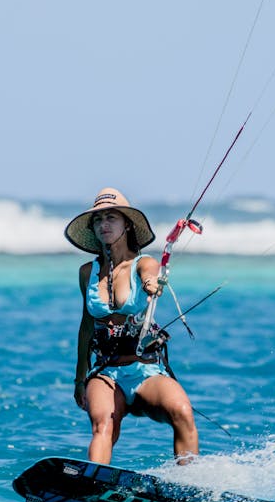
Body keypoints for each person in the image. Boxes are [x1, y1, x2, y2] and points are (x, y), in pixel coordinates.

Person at [65, 187, 199, 465]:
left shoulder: (144, 264)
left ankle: (190, 483)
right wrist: (80, 379)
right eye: (98, 220)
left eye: (111, 218)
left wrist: (152, 285)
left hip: (145, 371)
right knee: (103, 424)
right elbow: (86, 328)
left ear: (126, 224)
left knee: (183, 412)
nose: (104, 225)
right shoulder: (87, 273)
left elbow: (151, 275)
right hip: (105, 373)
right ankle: (95, 482)